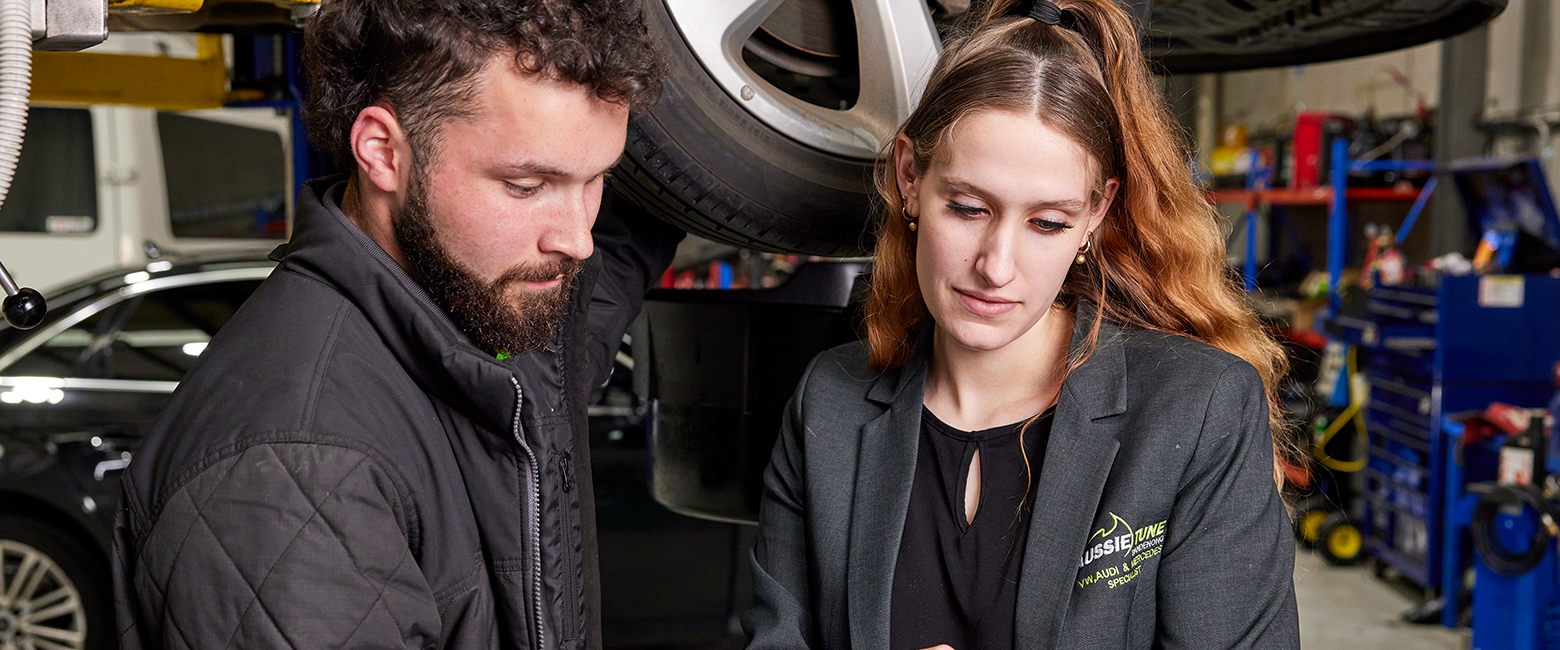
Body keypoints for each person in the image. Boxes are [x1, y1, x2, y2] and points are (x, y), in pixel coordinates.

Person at [111, 1, 682, 648]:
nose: (577, 238)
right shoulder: (298, 471)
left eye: (596, 179)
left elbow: (648, 227)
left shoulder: (491, 308)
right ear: (382, 150)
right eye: (526, 185)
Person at [743, 0, 1300, 648]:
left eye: (1047, 223)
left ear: (1096, 215)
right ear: (909, 177)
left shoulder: (1198, 410)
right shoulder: (829, 403)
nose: (997, 267)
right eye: (969, 207)